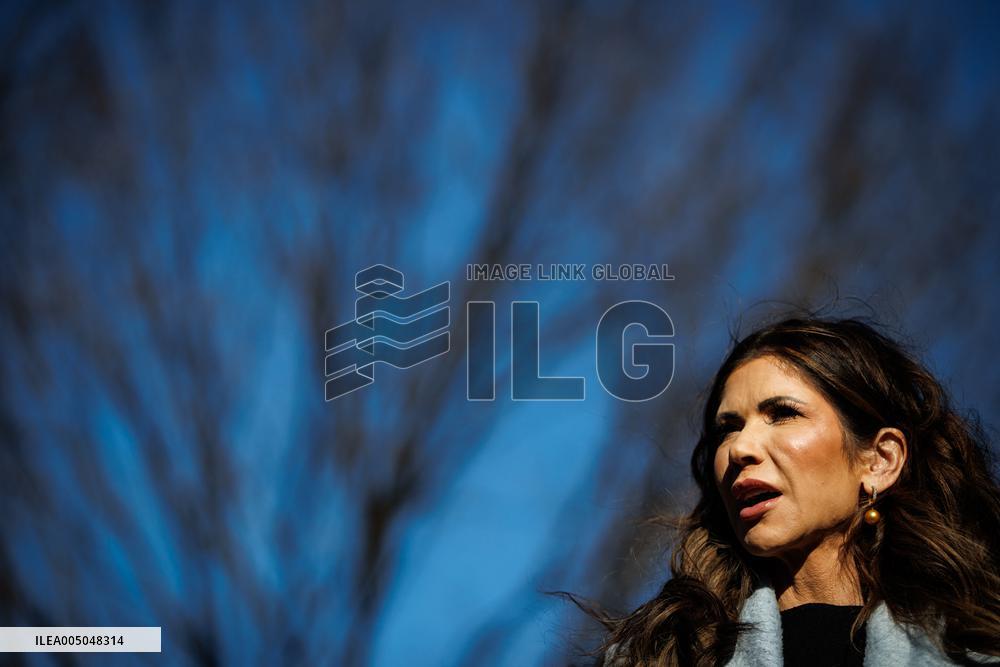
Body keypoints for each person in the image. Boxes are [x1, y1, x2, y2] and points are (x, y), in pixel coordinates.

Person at [596, 317, 1000, 666]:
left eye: (783, 413)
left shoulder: (977, 649)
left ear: (880, 461)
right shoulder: (660, 656)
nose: (740, 448)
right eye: (728, 429)